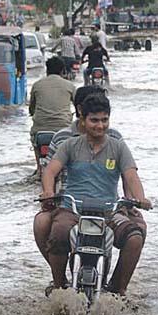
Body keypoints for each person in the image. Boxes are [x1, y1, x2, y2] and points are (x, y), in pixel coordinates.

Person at [37, 94, 151, 295]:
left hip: (109, 212)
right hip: (72, 210)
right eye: (94, 120)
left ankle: (118, 290)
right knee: (58, 235)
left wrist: (140, 198)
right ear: (83, 120)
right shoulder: (70, 145)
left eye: (104, 120)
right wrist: (47, 192)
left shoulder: (118, 147)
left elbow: (131, 176)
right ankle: (59, 287)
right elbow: (50, 171)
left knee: (134, 237)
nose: (100, 125)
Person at [28, 57, 77, 167]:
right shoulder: (69, 86)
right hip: (63, 128)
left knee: (35, 142)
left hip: (40, 129)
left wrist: (33, 113)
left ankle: (39, 168)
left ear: (47, 69)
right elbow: (78, 106)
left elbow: (32, 108)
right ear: (62, 71)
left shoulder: (37, 85)